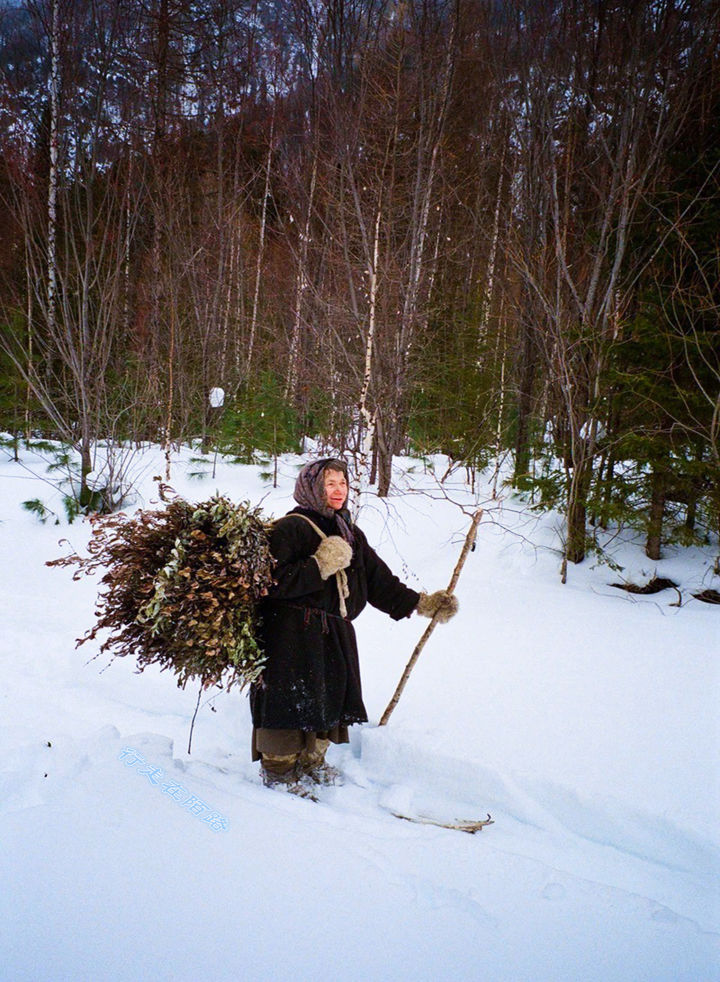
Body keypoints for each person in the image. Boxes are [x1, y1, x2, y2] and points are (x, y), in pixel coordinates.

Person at [250, 457, 458, 794]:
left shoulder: (349, 531)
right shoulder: (290, 528)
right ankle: (280, 770)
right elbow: (268, 582)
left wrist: (422, 603)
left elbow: (378, 579)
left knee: (327, 697)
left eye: (343, 483)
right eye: (329, 483)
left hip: (333, 631)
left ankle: (312, 761)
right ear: (311, 487)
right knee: (288, 701)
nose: (338, 490)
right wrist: (318, 565)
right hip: (288, 633)